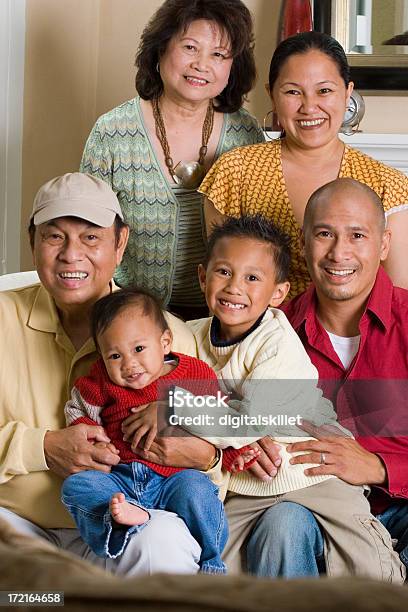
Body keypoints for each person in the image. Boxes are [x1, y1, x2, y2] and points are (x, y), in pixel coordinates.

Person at [0, 172, 220, 576]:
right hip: (16, 527)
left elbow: (217, 455)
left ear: (120, 244)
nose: (71, 254)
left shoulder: (168, 337)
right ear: (32, 242)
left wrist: (207, 456)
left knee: (164, 542)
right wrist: (41, 447)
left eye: (90, 237)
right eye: (54, 236)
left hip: (134, 520)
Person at [175, 214, 402, 581]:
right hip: (245, 484)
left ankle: (389, 579)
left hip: (313, 468)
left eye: (252, 278)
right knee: (217, 565)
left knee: (365, 564)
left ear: (278, 293)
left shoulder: (277, 341)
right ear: (203, 277)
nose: (235, 287)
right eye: (223, 272)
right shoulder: (189, 336)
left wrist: (181, 408)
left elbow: (247, 420)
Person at [246, 177, 408, 578]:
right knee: (280, 524)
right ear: (303, 243)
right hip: (309, 507)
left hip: (401, 509)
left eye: (357, 235)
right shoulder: (268, 334)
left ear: (383, 244)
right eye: (324, 234)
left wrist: (378, 466)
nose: (339, 253)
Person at [80, 0, 264, 318]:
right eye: (190, 47)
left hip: (224, 317)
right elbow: (87, 236)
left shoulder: (246, 133)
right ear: (161, 49)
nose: (201, 64)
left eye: (219, 54)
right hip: (131, 317)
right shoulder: (111, 132)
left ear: (233, 66)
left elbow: (260, 237)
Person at [200, 31, 408, 300]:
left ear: (347, 94)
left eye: (324, 91)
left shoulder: (387, 184)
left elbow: (398, 296)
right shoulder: (233, 172)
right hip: (257, 334)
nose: (309, 107)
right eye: (293, 92)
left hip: (355, 337)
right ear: (272, 95)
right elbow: (222, 284)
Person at [62, 287, 229, 574]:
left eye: (139, 349)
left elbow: (220, 417)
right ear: (101, 356)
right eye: (114, 356)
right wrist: (93, 439)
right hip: (120, 479)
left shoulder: (194, 373)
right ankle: (118, 524)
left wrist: (170, 407)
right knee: (77, 486)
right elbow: (76, 409)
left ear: (165, 342)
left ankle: (212, 563)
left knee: (198, 491)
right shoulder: (101, 381)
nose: (129, 364)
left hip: (175, 478)